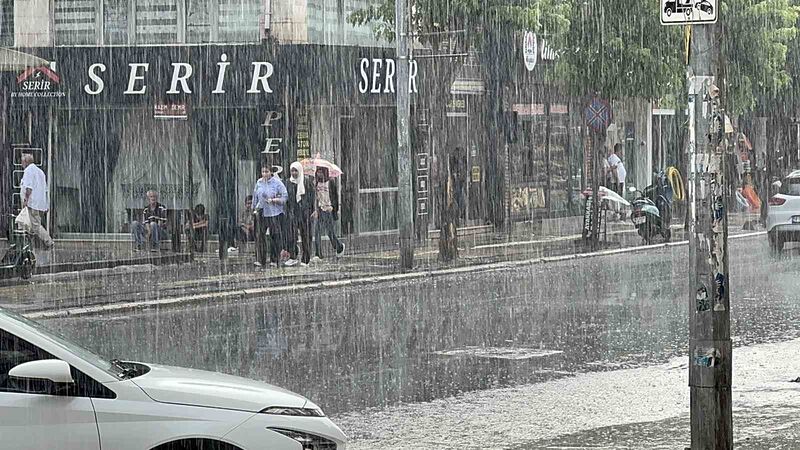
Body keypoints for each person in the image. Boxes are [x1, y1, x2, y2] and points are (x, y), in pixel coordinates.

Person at [253, 164, 288, 268]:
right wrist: (254, 208)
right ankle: (260, 259)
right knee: (260, 236)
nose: (264, 174)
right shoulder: (259, 182)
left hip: (274, 213)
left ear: (271, 172)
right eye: (263, 172)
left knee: (274, 236)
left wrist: (275, 200)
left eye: (266, 172)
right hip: (262, 212)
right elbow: (255, 196)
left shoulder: (277, 183)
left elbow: (284, 197)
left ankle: (274, 259)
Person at [19, 153, 54, 249]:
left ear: (26, 162)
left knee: (34, 225)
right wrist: (46, 204)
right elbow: (45, 190)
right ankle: (28, 244)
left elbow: (29, 188)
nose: (21, 164)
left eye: (22, 161)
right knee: (27, 224)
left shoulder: (28, 171)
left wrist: (25, 201)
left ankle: (48, 242)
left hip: (32, 203)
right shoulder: (40, 172)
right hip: (39, 204)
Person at [285, 161, 315, 267]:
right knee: (291, 236)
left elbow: (312, 197)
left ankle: (306, 258)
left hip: (305, 213)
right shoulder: (288, 182)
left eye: (295, 171)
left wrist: (313, 210)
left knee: (306, 235)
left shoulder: (306, 182)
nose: (294, 173)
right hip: (293, 213)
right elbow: (286, 198)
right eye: (292, 171)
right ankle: (293, 256)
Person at [312, 166, 345, 260]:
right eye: (318, 172)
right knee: (317, 232)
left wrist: (333, 208)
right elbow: (314, 197)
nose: (319, 174)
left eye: (321, 172)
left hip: (328, 210)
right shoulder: (315, 183)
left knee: (330, 232)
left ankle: (339, 246)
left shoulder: (330, 182)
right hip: (319, 210)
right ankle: (318, 254)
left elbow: (335, 196)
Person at [607, 143, 627, 220]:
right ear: (619, 150)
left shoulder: (616, 158)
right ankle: (617, 213)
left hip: (620, 181)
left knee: (619, 197)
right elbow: (614, 170)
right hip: (617, 181)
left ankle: (620, 213)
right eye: (622, 151)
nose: (622, 153)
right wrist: (618, 180)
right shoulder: (614, 158)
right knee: (617, 198)